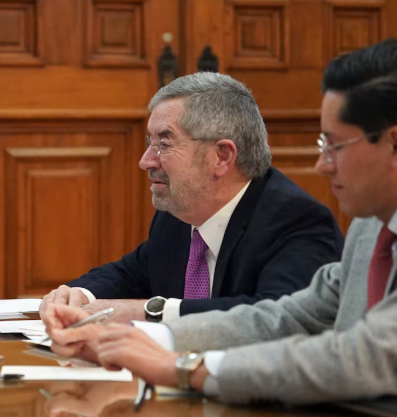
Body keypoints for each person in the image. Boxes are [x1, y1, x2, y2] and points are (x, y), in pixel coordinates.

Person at [46, 39, 397, 406]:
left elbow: (372, 355)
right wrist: (140, 342)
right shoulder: (373, 226)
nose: (321, 165)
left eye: (334, 146)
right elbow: (282, 318)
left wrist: (187, 369)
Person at [41, 72, 343, 325]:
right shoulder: (179, 214)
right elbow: (130, 273)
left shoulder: (296, 221)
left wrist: (151, 312)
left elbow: (274, 319)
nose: (145, 161)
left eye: (164, 144)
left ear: (221, 156)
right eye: (150, 142)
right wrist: (78, 295)